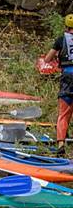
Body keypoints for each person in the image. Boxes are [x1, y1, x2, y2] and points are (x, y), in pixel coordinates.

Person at [43, 14, 73, 156]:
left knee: (63, 113)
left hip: (67, 78)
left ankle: (61, 144)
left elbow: (48, 59)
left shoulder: (61, 40)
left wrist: (57, 57)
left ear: (66, 27)